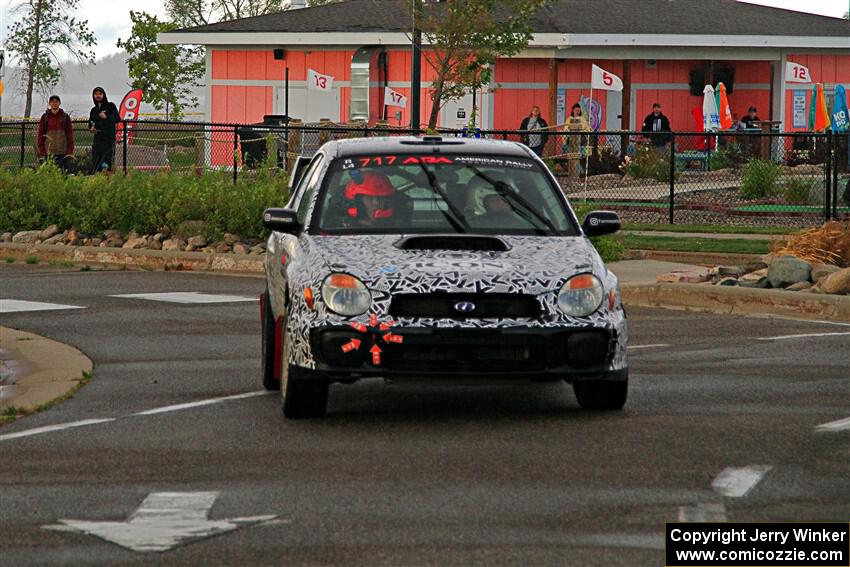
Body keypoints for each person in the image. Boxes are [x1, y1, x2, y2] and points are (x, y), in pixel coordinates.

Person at [36, 95, 75, 172]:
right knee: (50, 174)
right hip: (49, 153)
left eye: (56, 101)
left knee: (63, 174)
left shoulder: (65, 117)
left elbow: (70, 135)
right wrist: (42, 151)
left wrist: (69, 151)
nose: (54, 103)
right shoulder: (45, 117)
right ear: (49, 103)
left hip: (63, 153)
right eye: (52, 102)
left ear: (59, 103)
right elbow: (40, 135)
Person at [88, 86, 120, 174]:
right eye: (96, 94)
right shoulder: (93, 110)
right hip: (97, 140)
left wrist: (106, 117)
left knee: (106, 164)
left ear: (104, 95)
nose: (98, 96)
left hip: (108, 140)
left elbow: (117, 118)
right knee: (96, 163)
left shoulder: (110, 106)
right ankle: (98, 180)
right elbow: (90, 122)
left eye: (100, 94)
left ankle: (108, 180)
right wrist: (91, 128)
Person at [564, 103, 590, 177]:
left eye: (578, 110)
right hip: (571, 140)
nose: (577, 112)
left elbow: (587, 129)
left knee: (578, 156)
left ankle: (580, 172)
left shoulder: (583, 119)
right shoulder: (569, 119)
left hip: (580, 140)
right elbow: (566, 130)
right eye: (576, 110)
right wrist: (565, 141)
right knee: (572, 156)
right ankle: (578, 172)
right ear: (573, 110)